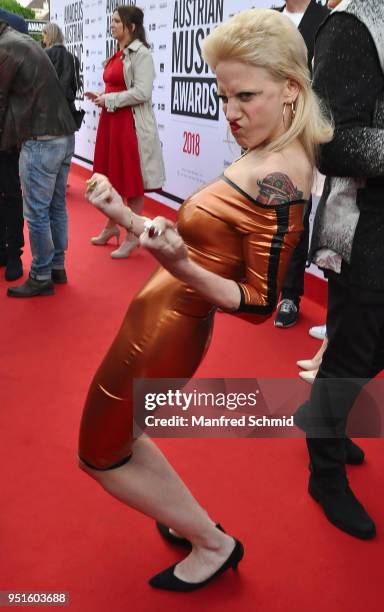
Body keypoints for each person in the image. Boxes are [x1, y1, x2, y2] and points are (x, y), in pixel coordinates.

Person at [79, 9, 332, 592]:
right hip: (157, 317)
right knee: (126, 439)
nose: (232, 113)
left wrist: (180, 263)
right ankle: (192, 524)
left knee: (98, 456)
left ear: (291, 89)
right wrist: (125, 216)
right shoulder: (265, 145)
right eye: (224, 96)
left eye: (247, 96)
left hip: (169, 333)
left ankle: (214, 544)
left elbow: (259, 303)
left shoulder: (282, 177)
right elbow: (193, 245)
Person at [294, 0, 384, 540]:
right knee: (350, 356)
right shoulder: (354, 24)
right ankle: (324, 474)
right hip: (366, 232)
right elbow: (333, 142)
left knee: (366, 354)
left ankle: (324, 417)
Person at [0, 20, 76, 297]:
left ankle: (40, 274)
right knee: (56, 207)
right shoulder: (23, 41)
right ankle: (57, 267)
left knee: (36, 213)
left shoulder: (4, 49)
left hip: (41, 139)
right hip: (64, 135)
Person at [88, 5, 165, 259]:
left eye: (116, 21)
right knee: (110, 178)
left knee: (131, 182)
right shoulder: (119, 53)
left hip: (129, 126)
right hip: (111, 122)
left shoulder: (141, 54)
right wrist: (102, 96)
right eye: (111, 21)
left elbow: (142, 93)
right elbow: (116, 87)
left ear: (131, 27)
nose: (112, 25)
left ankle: (133, 235)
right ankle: (111, 227)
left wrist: (109, 100)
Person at [273, 0, 330, 328]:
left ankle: (290, 296)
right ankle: (261, 286)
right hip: (270, 129)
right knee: (268, 209)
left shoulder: (326, 19)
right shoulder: (271, 16)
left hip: (305, 130)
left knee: (297, 212)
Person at [0, 7, 28, 282]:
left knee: (9, 192)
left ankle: (14, 254)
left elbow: (22, 78)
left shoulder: (15, 22)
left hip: (7, 128)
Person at [43, 22, 80, 125]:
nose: (43, 41)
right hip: (68, 114)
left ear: (49, 35)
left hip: (47, 114)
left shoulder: (43, 55)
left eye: (44, 36)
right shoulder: (73, 58)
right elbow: (75, 86)